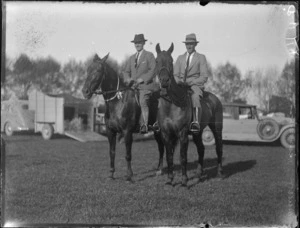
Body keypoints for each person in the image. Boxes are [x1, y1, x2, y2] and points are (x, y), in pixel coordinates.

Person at [174, 33, 210, 134]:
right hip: (180, 85)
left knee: (195, 97)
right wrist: (178, 81)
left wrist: (190, 82)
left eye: (191, 44)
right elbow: (175, 74)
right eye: (187, 44)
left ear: (195, 45)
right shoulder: (180, 58)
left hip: (194, 85)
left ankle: (195, 122)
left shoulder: (201, 58)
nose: (189, 46)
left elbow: (204, 76)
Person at [123, 34, 159, 134]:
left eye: (139, 42)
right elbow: (126, 71)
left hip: (146, 87)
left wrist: (142, 79)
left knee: (143, 100)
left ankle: (144, 125)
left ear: (143, 43)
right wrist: (128, 79)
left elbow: (153, 70)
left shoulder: (149, 55)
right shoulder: (131, 58)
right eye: (136, 43)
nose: (137, 44)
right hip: (133, 88)